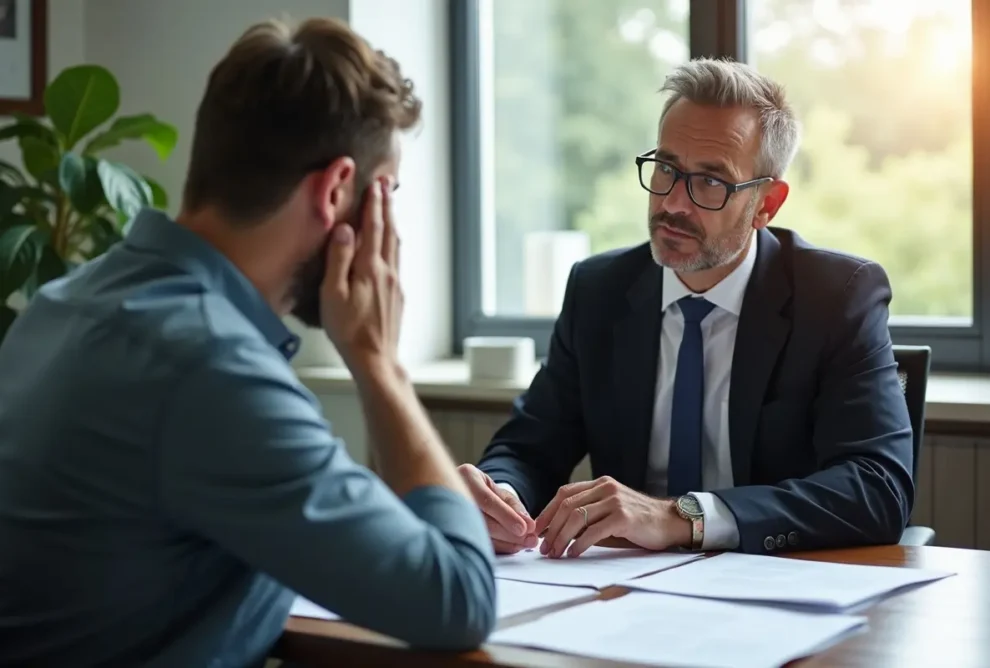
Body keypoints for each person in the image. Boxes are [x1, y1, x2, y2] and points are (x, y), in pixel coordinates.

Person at [0, 17, 496, 667]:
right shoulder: (210, 366)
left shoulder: (60, 306)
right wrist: (379, 364)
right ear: (336, 190)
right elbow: (460, 598)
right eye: (387, 195)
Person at [458, 58, 915, 560]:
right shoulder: (599, 291)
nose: (674, 203)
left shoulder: (836, 297)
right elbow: (529, 447)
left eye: (711, 182)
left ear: (766, 204)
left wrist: (682, 518)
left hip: (770, 579)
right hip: (622, 586)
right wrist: (501, 496)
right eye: (667, 169)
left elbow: (878, 488)